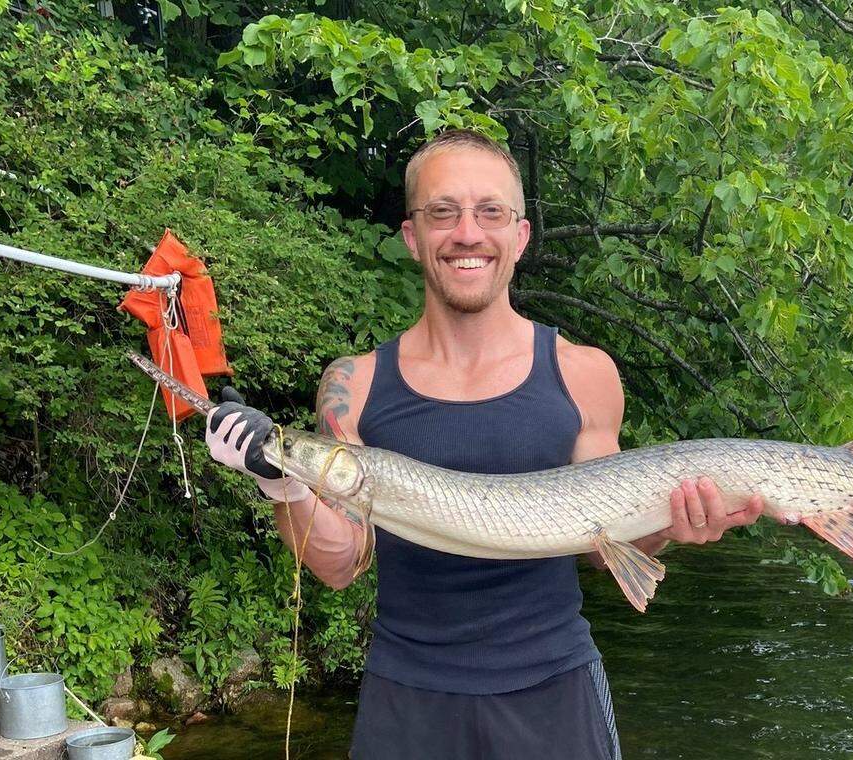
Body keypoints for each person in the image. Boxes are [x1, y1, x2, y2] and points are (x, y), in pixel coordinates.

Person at [205, 129, 765, 759]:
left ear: (519, 236)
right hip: (409, 700)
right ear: (413, 237)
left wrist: (670, 526)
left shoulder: (584, 372)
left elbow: (612, 545)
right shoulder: (353, 384)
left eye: (490, 212)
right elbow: (340, 563)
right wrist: (280, 481)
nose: (467, 233)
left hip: (554, 695)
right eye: (442, 212)